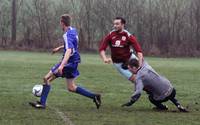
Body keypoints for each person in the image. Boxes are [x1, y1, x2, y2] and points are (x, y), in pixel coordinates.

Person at [29, 14, 101, 109]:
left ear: (62, 23)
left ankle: (42, 103)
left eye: (60, 22)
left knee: (46, 79)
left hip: (68, 62)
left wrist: (62, 66)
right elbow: (72, 45)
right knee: (71, 87)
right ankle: (94, 96)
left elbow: (69, 50)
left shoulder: (67, 35)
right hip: (74, 61)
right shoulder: (73, 30)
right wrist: (59, 48)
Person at [121, 58, 188, 112]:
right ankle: (178, 104)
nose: (129, 71)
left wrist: (131, 101)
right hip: (172, 89)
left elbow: (138, 92)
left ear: (134, 68)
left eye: (129, 69)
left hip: (163, 97)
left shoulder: (139, 78)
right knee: (164, 87)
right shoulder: (145, 64)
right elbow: (140, 57)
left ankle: (163, 107)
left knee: (151, 97)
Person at [99, 17, 143, 82]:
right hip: (118, 63)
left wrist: (140, 65)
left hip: (130, 58)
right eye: (114, 24)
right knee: (135, 80)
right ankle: (146, 90)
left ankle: (156, 87)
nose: (115, 26)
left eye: (117, 24)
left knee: (145, 74)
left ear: (122, 24)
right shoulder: (110, 35)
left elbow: (139, 51)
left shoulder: (128, 36)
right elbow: (102, 49)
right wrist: (104, 58)